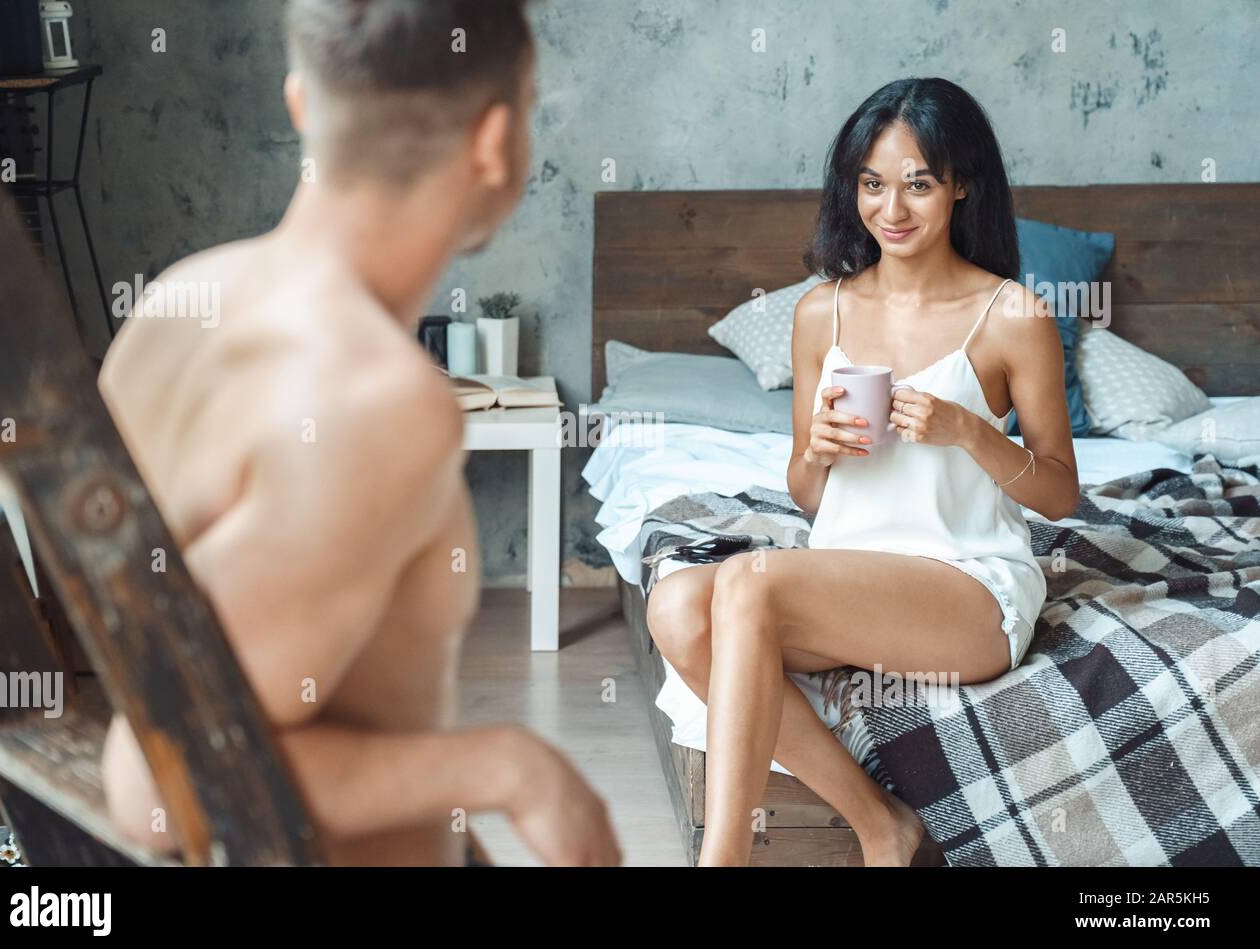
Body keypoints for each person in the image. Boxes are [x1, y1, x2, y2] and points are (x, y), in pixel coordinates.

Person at [98, 0, 620, 867]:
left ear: (302, 104)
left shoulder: (177, 303)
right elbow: (162, 781)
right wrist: (516, 768)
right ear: (494, 143)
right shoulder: (372, 400)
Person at [646, 77, 1079, 867]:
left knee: (749, 584)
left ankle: (721, 861)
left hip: (966, 587)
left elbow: (1059, 489)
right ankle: (883, 827)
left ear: (961, 186)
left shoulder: (1012, 315)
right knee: (676, 605)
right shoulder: (822, 313)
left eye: (918, 184)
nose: (893, 209)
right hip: (845, 574)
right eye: (873, 184)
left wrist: (968, 432)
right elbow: (808, 495)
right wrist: (818, 449)